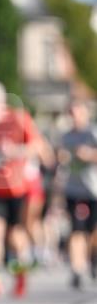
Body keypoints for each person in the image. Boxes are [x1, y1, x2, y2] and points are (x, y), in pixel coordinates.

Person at [0, 80, 45, 298]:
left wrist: (15, 150)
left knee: (15, 236)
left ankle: (20, 272)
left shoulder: (18, 118)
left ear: (1, 100)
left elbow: (38, 147)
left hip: (17, 186)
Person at [57, 98, 97, 289]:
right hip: (74, 190)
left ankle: (92, 258)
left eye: (78, 113)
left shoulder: (92, 133)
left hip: (93, 189)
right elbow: (61, 162)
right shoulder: (66, 137)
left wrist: (89, 155)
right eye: (71, 114)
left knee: (92, 232)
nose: (75, 117)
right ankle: (77, 269)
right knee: (76, 230)